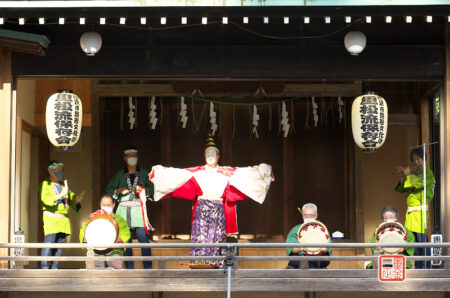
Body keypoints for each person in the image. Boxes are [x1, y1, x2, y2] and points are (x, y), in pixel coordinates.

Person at [150, 134, 274, 267]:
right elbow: (175, 174)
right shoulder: (197, 172)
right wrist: (158, 173)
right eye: (208, 153)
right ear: (204, 156)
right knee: (201, 237)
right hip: (202, 208)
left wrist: (263, 171)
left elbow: (246, 174)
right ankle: (199, 263)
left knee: (217, 236)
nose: (210, 156)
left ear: (218, 156)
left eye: (213, 153)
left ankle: (216, 263)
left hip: (217, 208)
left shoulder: (226, 172)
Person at [106, 145, 154, 269]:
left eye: (134, 155)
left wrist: (144, 189)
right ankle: (129, 267)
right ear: (124, 158)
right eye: (129, 155)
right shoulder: (119, 175)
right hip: (123, 210)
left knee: (143, 239)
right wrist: (118, 191)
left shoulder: (143, 173)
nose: (132, 158)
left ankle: (148, 267)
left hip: (138, 210)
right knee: (126, 240)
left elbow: (152, 189)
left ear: (137, 157)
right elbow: (109, 189)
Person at [395, 147, 435, 269]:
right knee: (413, 243)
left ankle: (426, 268)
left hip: (420, 213)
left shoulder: (427, 173)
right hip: (412, 214)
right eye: (414, 160)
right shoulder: (416, 174)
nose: (415, 162)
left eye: (418, 159)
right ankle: (418, 267)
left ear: (424, 159)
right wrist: (403, 176)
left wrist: (408, 175)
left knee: (422, 242)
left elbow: (417, 184)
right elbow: (402, 189)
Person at [39, 160, 84, 269]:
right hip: (51, 217)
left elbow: (71, 199)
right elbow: (45, 199)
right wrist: (60, 195)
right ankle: (44, 267)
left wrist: (76, 200)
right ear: (50, 171)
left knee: (59, 245)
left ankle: (55, 266)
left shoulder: (64, 185)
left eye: (61, 170)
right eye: (57, 170)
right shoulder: (45, 184)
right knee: (49, 243)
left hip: (63, 219)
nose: (60, 172)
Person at [80, 194, 130, 269]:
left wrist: (114, 239)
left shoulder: (120, 220)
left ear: (113, 205)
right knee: (95, 277)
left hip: (113, 254)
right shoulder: (93, 218)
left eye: (108, 205)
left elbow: (125, 236)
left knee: (115, 277)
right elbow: (84, 234)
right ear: (100, 205)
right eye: (104, 205)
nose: (106, 206)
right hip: (96, 254)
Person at [286, 203, 332, 269]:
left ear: (316, 216)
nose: (308, 218)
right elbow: (291, 249)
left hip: (318, 259)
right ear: (302, 216)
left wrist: (315, 248)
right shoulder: (295, 230)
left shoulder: (322, 229)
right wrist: (308, 246)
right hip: (300, 259)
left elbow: (326, 249)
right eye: (305, 215)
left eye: (311, 215)